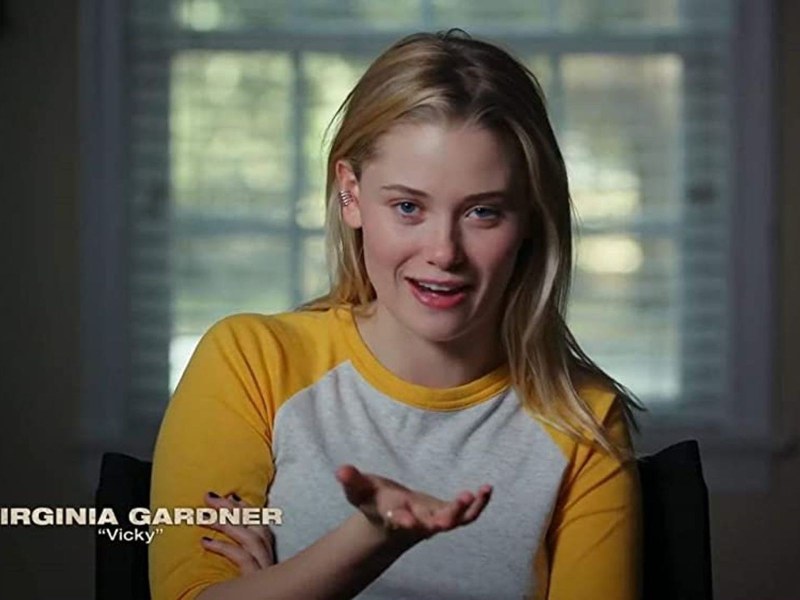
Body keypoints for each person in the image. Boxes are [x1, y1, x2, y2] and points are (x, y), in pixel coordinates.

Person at [149, 29, 644, 600]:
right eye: (408, 206)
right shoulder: (252, 362)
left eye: (483, 212)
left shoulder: (585, 419)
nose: (444, 252)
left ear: (529, 217)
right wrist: (370, 539)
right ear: (351, 194)